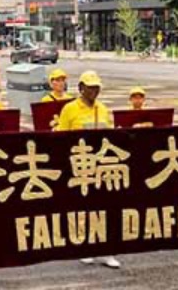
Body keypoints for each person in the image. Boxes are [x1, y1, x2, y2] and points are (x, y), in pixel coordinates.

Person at [54, 71, 120, 269]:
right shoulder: (70, 109)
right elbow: (60, 138)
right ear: (81, 88)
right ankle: (85, 246)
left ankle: (106, 250)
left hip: (101, 166)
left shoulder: (103, 109)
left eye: (96, 87)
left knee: (105, 208)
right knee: (83, 209)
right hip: (79, 166)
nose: (94, 91)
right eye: (90, 87)